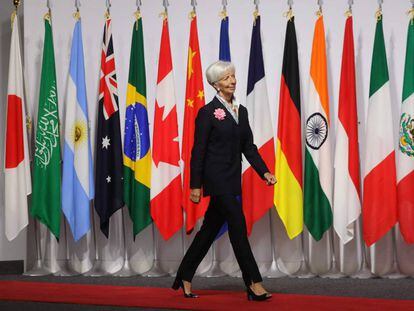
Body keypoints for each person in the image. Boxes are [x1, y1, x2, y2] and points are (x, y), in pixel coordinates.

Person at [172, 61, 277, 301]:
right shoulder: (207, 113)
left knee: (208, 231)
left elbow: (248, 147)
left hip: (232, 180)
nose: (232, 80)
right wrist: (195, 185)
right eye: (227, 77)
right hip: (216, 180)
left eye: (233, 76)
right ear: (216, 84)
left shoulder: (241, 110)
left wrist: (264, 172)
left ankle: (184, 276)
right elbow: (197, 151)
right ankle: (253, 283)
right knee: (238, 228)